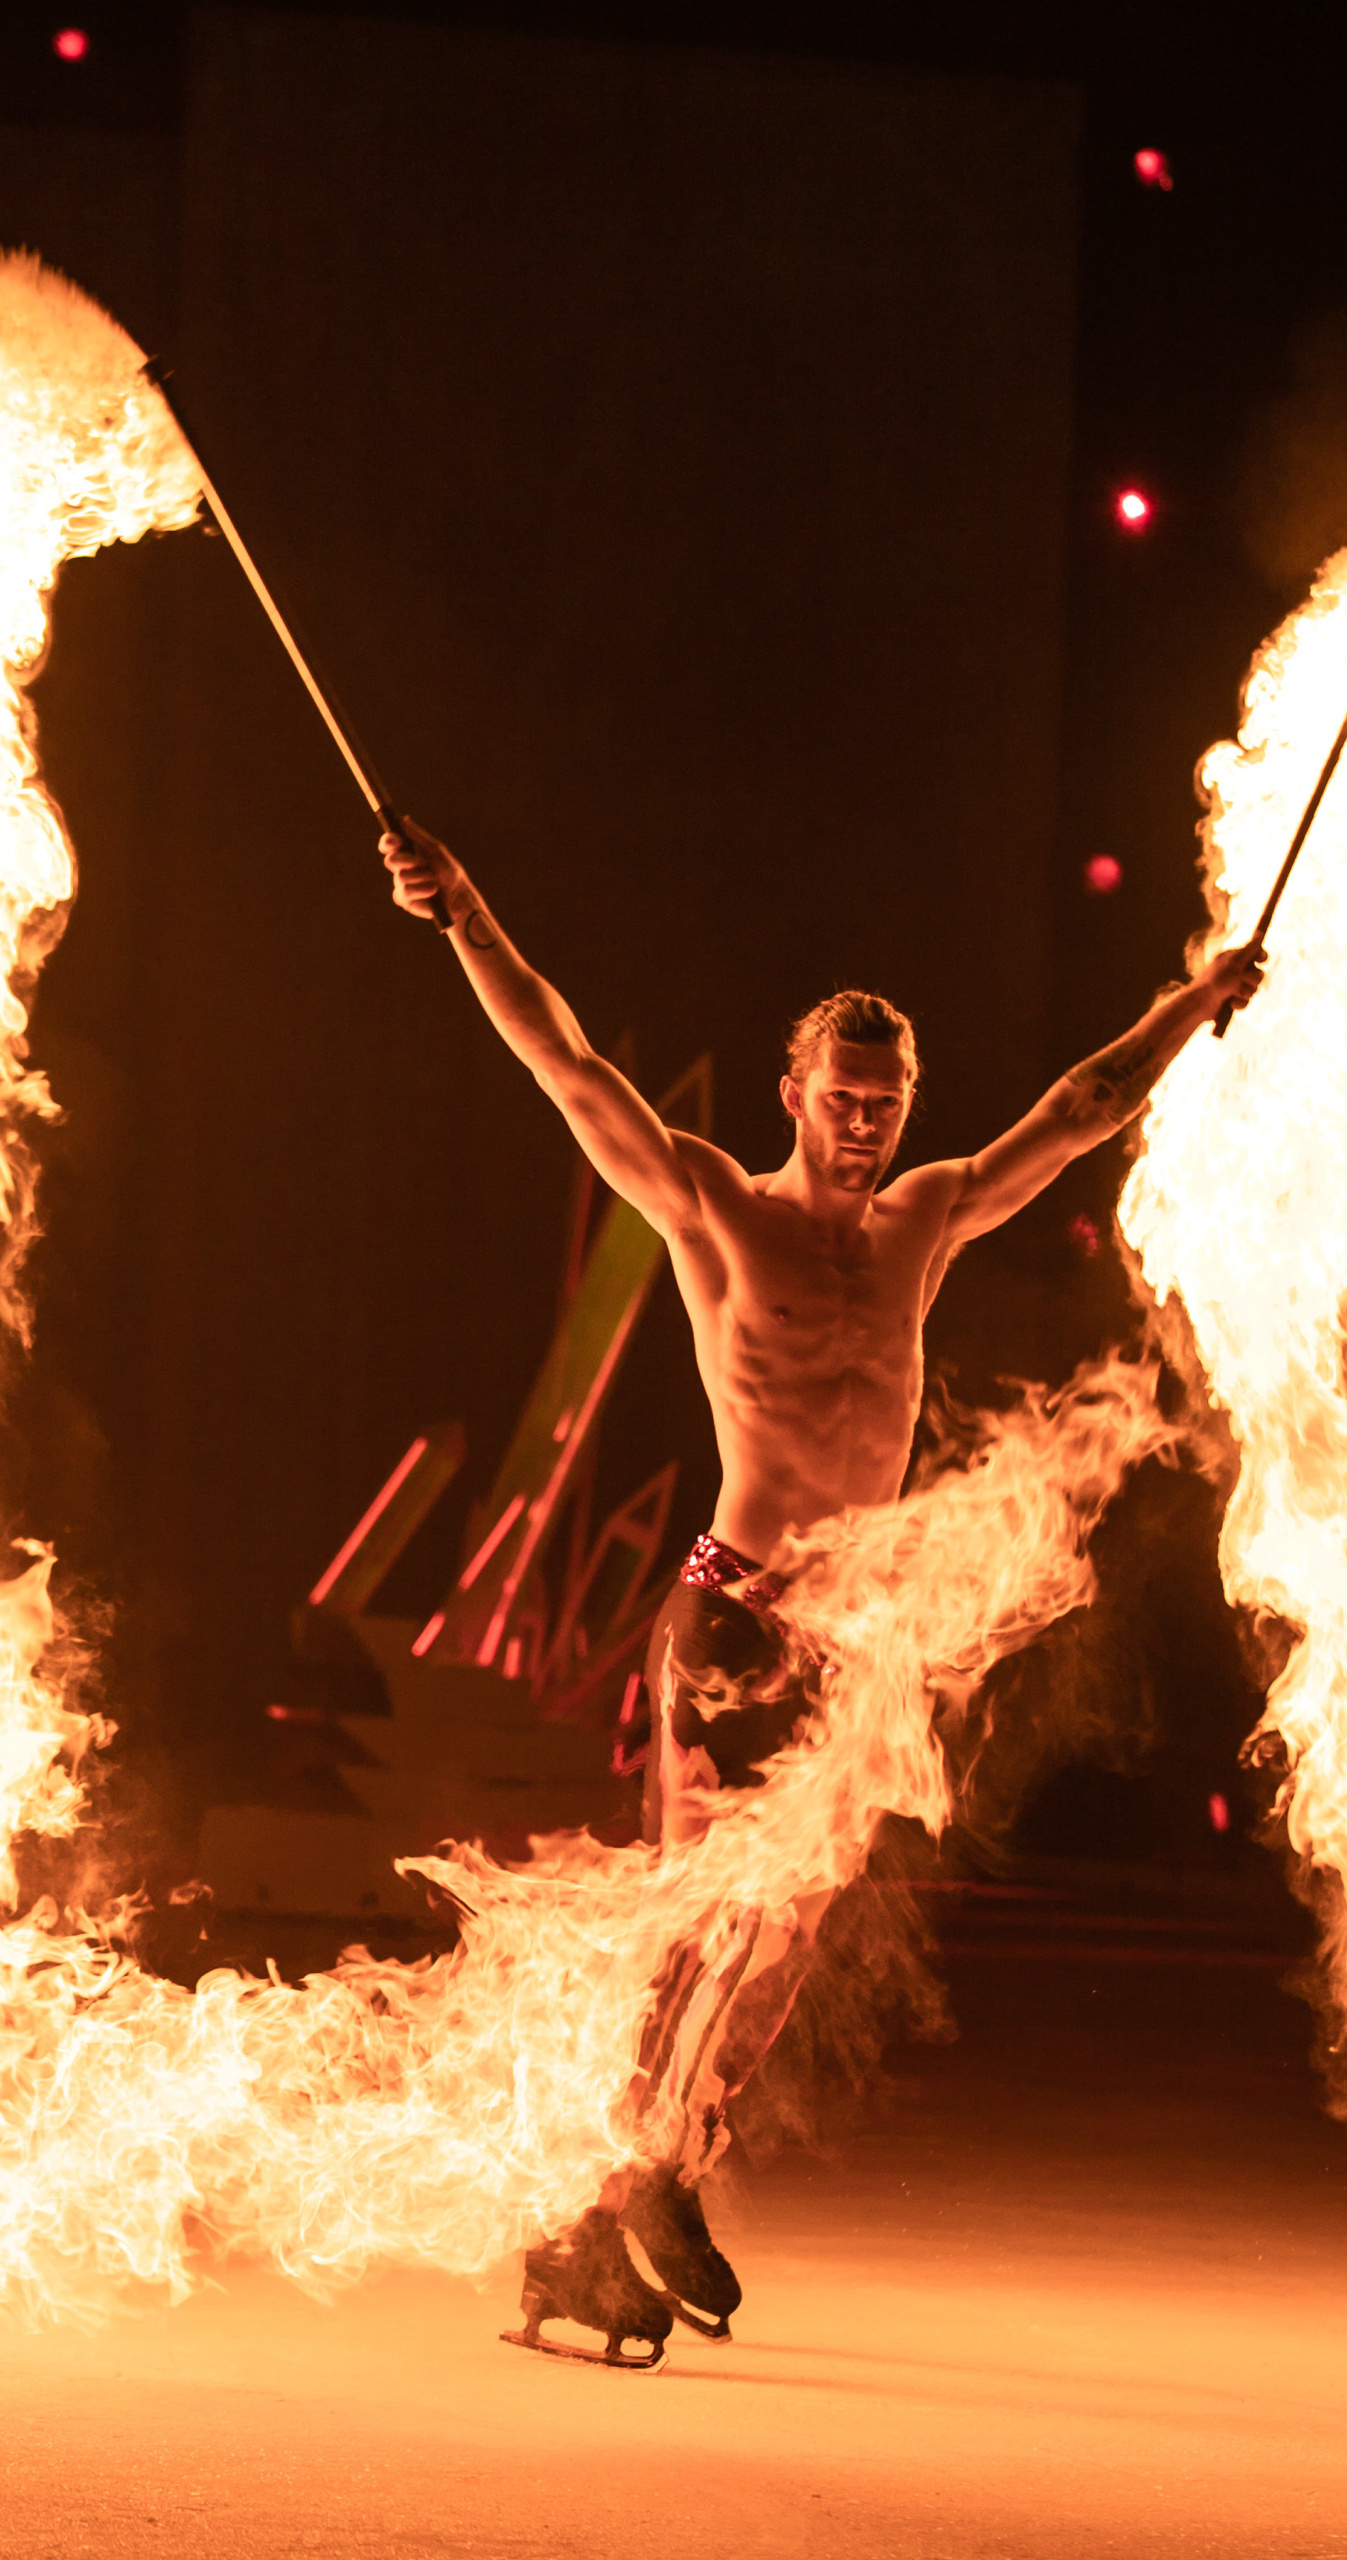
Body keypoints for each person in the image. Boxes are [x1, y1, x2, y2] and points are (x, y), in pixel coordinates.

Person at [383, 820, 1263, 2365]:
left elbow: (1080, 1111)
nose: (864, 1124)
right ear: (794, 1097)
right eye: (841, 1099)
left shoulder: (925, 1222)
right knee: (731, 1909)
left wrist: (1194, 1003)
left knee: (776, 1955)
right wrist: (459, 913)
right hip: (735, 1608)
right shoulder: (719, 1209)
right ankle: (635, 2178)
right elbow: (565, 1063)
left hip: (855, 1634)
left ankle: (603, 2224)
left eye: (887, 1102)